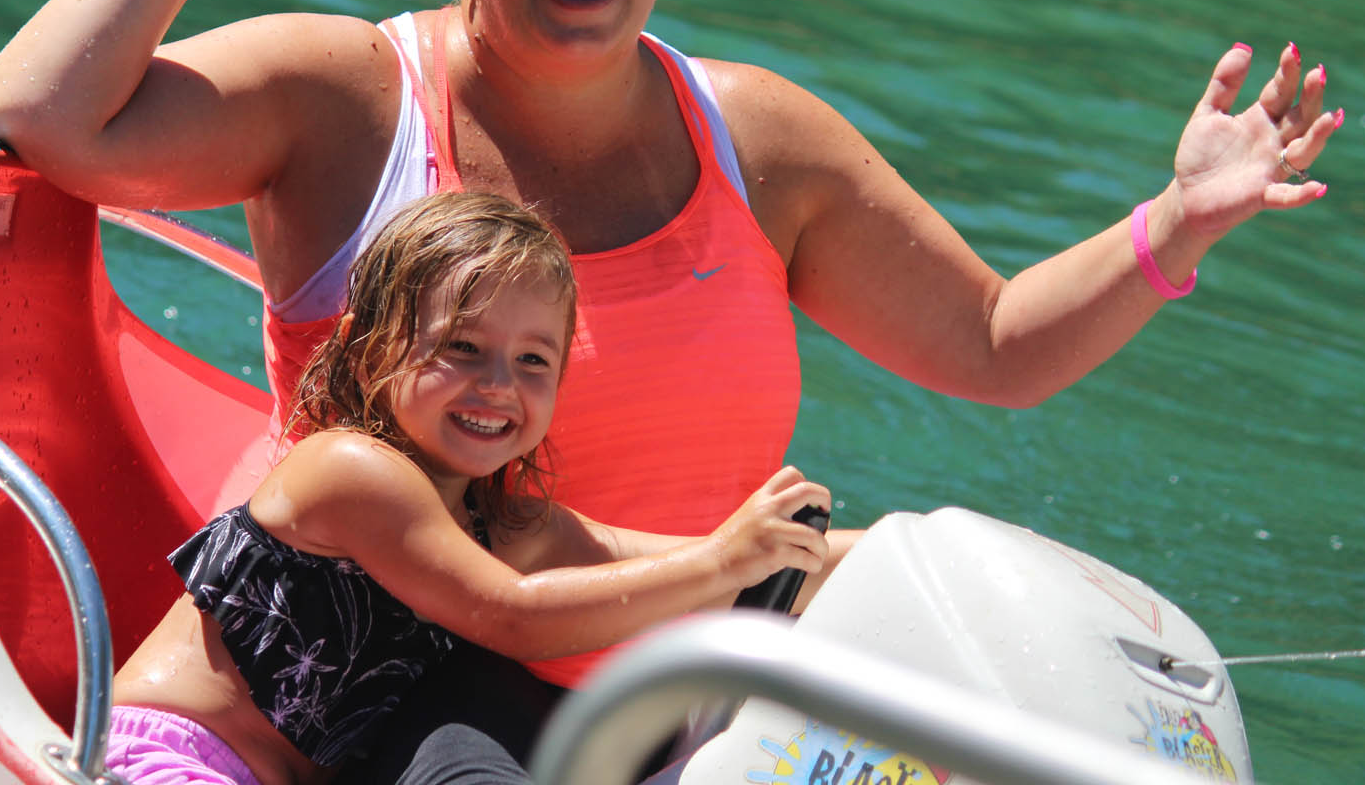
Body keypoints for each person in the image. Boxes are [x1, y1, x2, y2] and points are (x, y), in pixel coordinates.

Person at [0, 0, 1339, 772]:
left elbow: (992, 346)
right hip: (402, 710)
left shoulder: (760, 139)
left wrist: (1177, 223)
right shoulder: (347, 98)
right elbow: (49, 116)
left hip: (701, 710)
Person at [105, 191, 831, 785]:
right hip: (171, 757)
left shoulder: (500, 524)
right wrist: (726, 563)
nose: (497, 385)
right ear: (367, 351)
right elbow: (509, 615)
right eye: (462, 347)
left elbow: (681, 560)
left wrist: (844, 548)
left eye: (533, 360)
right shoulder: (349, 470)